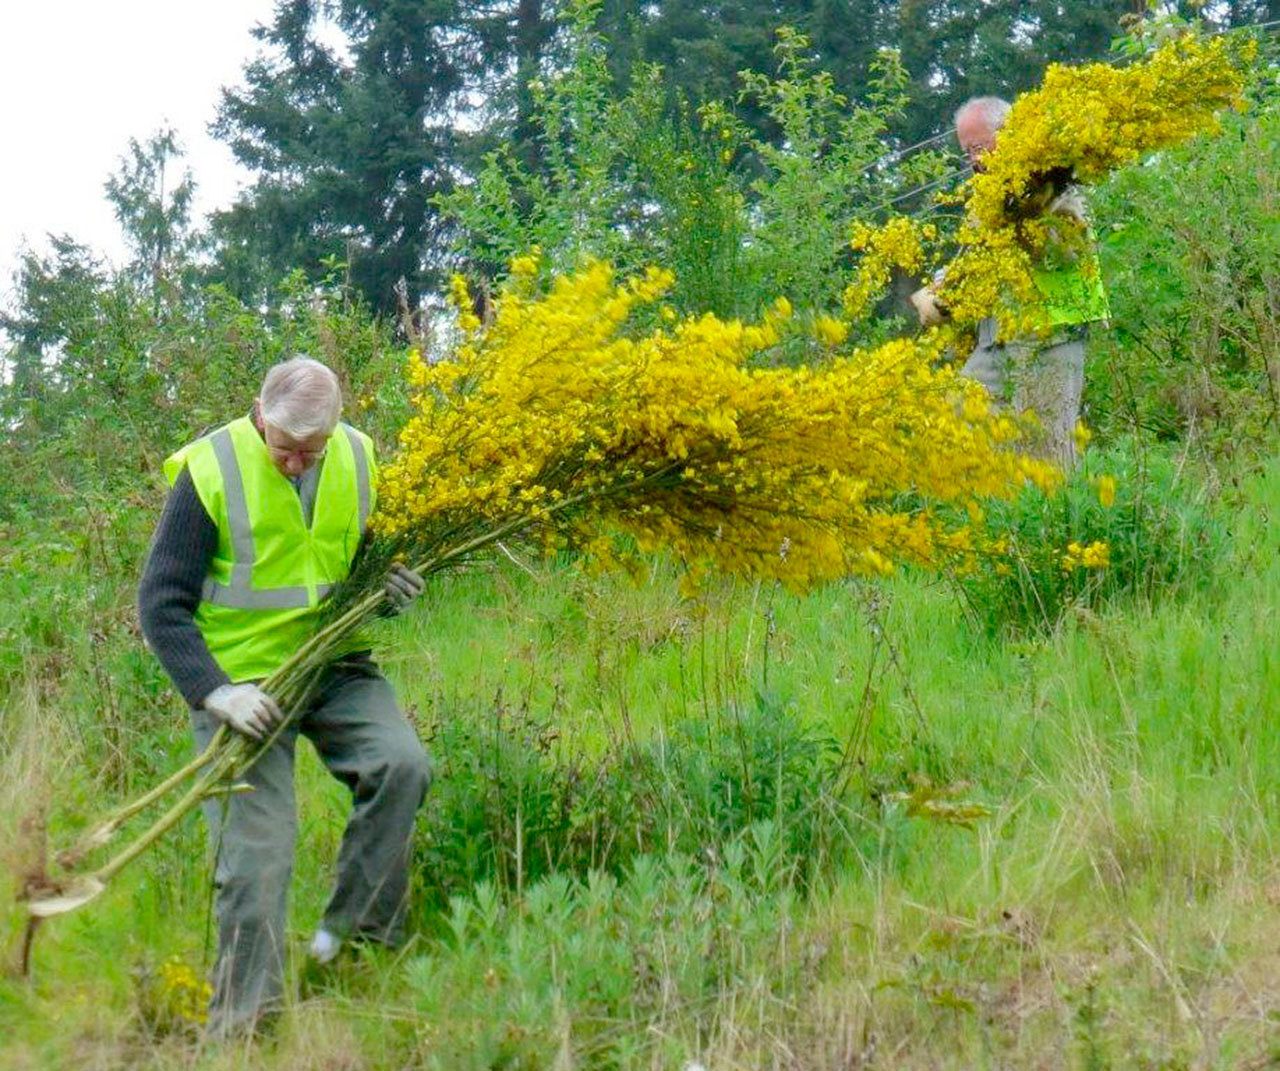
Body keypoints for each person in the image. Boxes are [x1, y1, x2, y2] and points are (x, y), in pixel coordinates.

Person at [138, 356, 432, 1037]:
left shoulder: (358, 455)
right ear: (259, 414)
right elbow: (160, 604)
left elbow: (358, 557)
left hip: (333, 665)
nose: (298, 463)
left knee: (403, 765)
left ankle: (350, 949)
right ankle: (245, 1030)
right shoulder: (209, 470)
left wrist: (390, 586)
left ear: (335, 428)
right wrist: (215, 692)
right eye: (285, 449)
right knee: (255, 865)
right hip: (243, 688)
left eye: (312, 450)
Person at [911, 95, 1110, 466]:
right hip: (998, 339)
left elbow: (1064, 251)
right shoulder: (987, 199)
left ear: (1008, 135)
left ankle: (1060, 520)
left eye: (977, 147)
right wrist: (937, 292)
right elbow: (973, 258)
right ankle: (989, 512)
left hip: (1052, 334)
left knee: (1047, 449)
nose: (973, 160)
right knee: (955, 420)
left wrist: (1020, 219)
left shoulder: (1056, 185)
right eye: (965, 152)